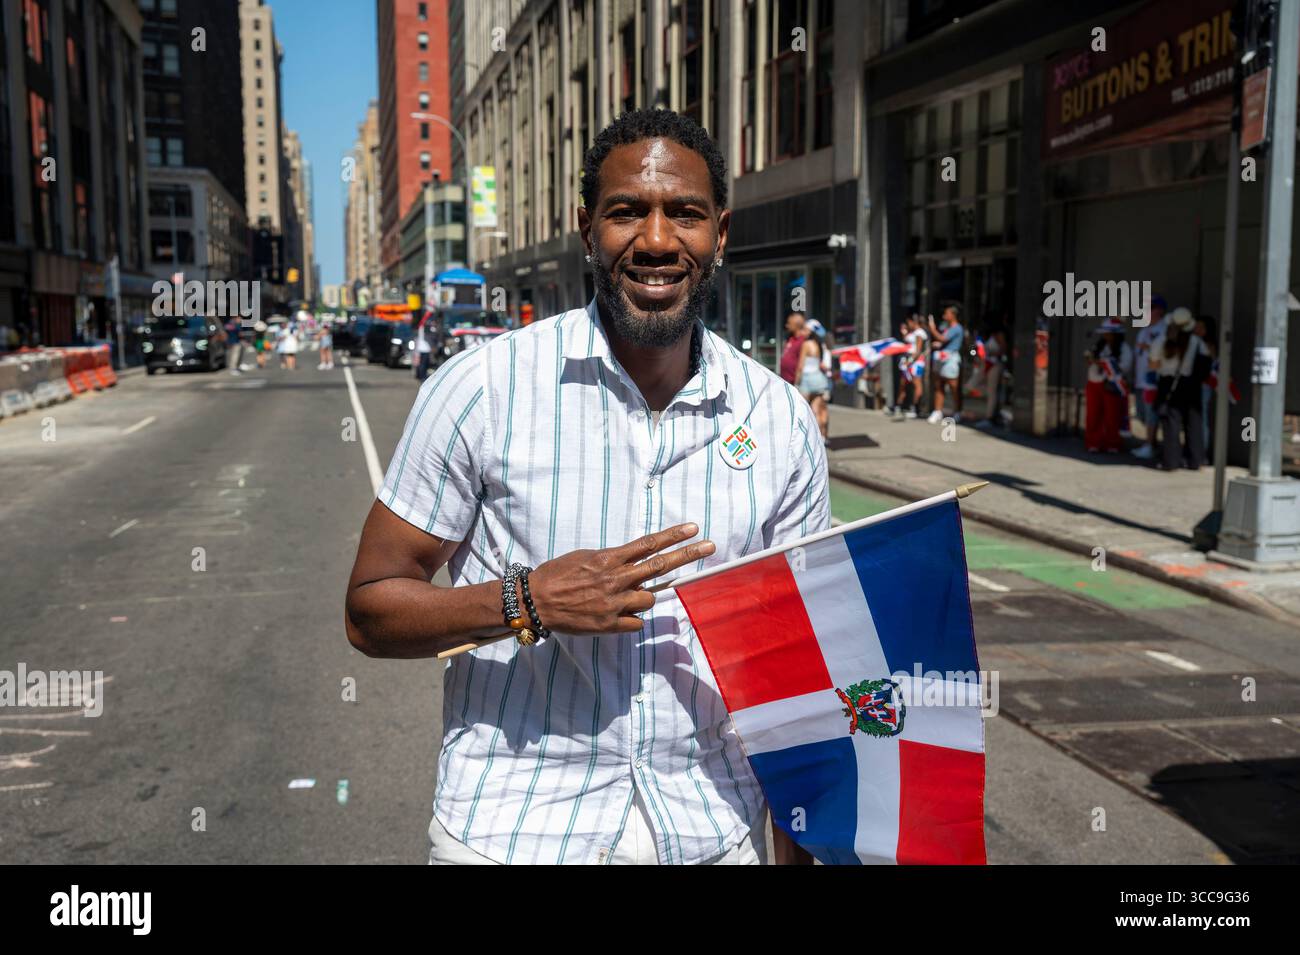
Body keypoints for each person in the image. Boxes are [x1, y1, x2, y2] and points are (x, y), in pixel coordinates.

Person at [345, 108, 826, 867]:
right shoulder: (481, 390)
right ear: (586, 228)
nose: (659, 240)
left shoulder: (782, 421)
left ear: (721, 235)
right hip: (512, 836)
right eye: (627, 211)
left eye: (686, 215)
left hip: (710, 834)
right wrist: (527, 598)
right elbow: (370, 609)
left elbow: (795, 668)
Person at [1151, 306, 1209, 470]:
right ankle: (1195, 460)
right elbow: (1206, 362)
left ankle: (1170, 461)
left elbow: (1154, 365)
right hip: (1191, 385)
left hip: (1168, 384)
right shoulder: (1197, 342)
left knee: (1171, 424)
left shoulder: (1161, 341)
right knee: (1194, 423)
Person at [1083, 319, 1132, 453]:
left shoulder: (1124, 348)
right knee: (1093, 415)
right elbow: (1092, 359)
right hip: (1094, 383)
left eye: (1108, 333)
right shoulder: (1099, 345)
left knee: (1112, 416)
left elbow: (1124, 366)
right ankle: (1093, 442)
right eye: (1104, 333)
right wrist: (1090, 359)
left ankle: (1113, 444)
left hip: (1112, 385)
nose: (1105, 335)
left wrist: (1105, 364)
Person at [1131, 294, 1167, 460]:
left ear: (1159, 310)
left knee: (1152, 413)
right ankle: (1151, 442)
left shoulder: (1164, 329)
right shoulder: (1143, 330)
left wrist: (1148, 347)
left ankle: (1150, 445)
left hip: (1153, 380)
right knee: (1141, 414)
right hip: (1140, 379)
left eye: (1150, 308)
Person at [926, 304, 964, 423]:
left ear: (953, 315)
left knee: (953, 386)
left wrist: (932, 329)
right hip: (941, 358)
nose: (944, 315)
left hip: (951, 359)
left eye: (946, 313)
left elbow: (943, 338)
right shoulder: (946, 327)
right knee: (939, 385)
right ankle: (938, 411)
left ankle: (957, 411)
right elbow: (943, 341)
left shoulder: (957, 328)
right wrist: (939, 344)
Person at [796, 318, 831, 444]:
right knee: (820, 409)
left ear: (810, 332)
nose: (803, 332)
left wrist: (796, 382)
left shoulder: (806, 345)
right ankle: (823, 436)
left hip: (807, 379)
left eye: (805, 329)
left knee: (804, 410)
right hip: (820, 379)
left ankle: (811, 438)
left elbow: (800, 366)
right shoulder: (821, 345)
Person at [778, 312, 805, 384]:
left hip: (794, 382)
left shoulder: (803, 341)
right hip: (784, 379)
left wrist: (797, 383)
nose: (787, 326)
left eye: (789, 323)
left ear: (797, 325)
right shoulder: (790, 338)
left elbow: (802, 363)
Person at [414, 311, 434, 381]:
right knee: (424, 363)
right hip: (425, 348)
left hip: (422, 347)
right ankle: (422, 376)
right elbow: (427, 335)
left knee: (422, 363)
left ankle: (420, 375)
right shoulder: (424, 326)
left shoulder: (421, 326)